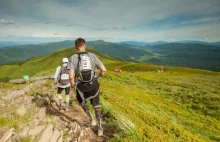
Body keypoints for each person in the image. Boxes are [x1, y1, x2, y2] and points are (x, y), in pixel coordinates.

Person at [68, 38, 106, 136]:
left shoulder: (73, 58)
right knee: (97, 105)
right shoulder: (92, 55)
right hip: (94, 85)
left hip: (81, 87)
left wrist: (72, 85)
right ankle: (100, 128)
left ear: (75, 47)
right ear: (85, 45)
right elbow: (103, 69)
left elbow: (71, 76)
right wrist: (99, 76)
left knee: (81, 100)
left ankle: (91, 118)